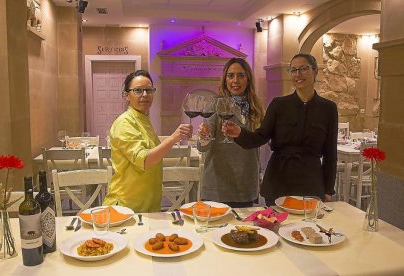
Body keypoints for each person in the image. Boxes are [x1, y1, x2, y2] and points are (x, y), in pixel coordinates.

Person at [223, 53, 338, 206]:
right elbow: (260, 137)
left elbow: (330, 152)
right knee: (276, 227)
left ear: (315, 71)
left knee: (307, 228)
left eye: (303, 69)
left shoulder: (328, 108)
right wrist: (240, 133)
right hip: (278, 179)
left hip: (310, 181)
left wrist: (328, 189)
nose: (298, 74)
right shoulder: (279, 105)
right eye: (293, 70)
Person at [103, 70, 192, 212]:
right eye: (138, 90)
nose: (145, 95)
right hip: (127, 206)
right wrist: (174, 138)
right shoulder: (125, 123)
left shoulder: (143, 119)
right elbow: (144, 160)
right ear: (127, 95)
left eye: (149, 90)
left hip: (147, 205)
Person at [197, 58, 265, 208]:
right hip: (217, 186)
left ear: (248, 79)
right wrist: (204, 136)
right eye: (231, 75)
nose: (236, 80)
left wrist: (258, 177)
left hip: (247, 184)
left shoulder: (256, 107)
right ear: (225, 79)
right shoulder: (214, 104)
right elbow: (202, 147)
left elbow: (257, 146)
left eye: (241, 75)